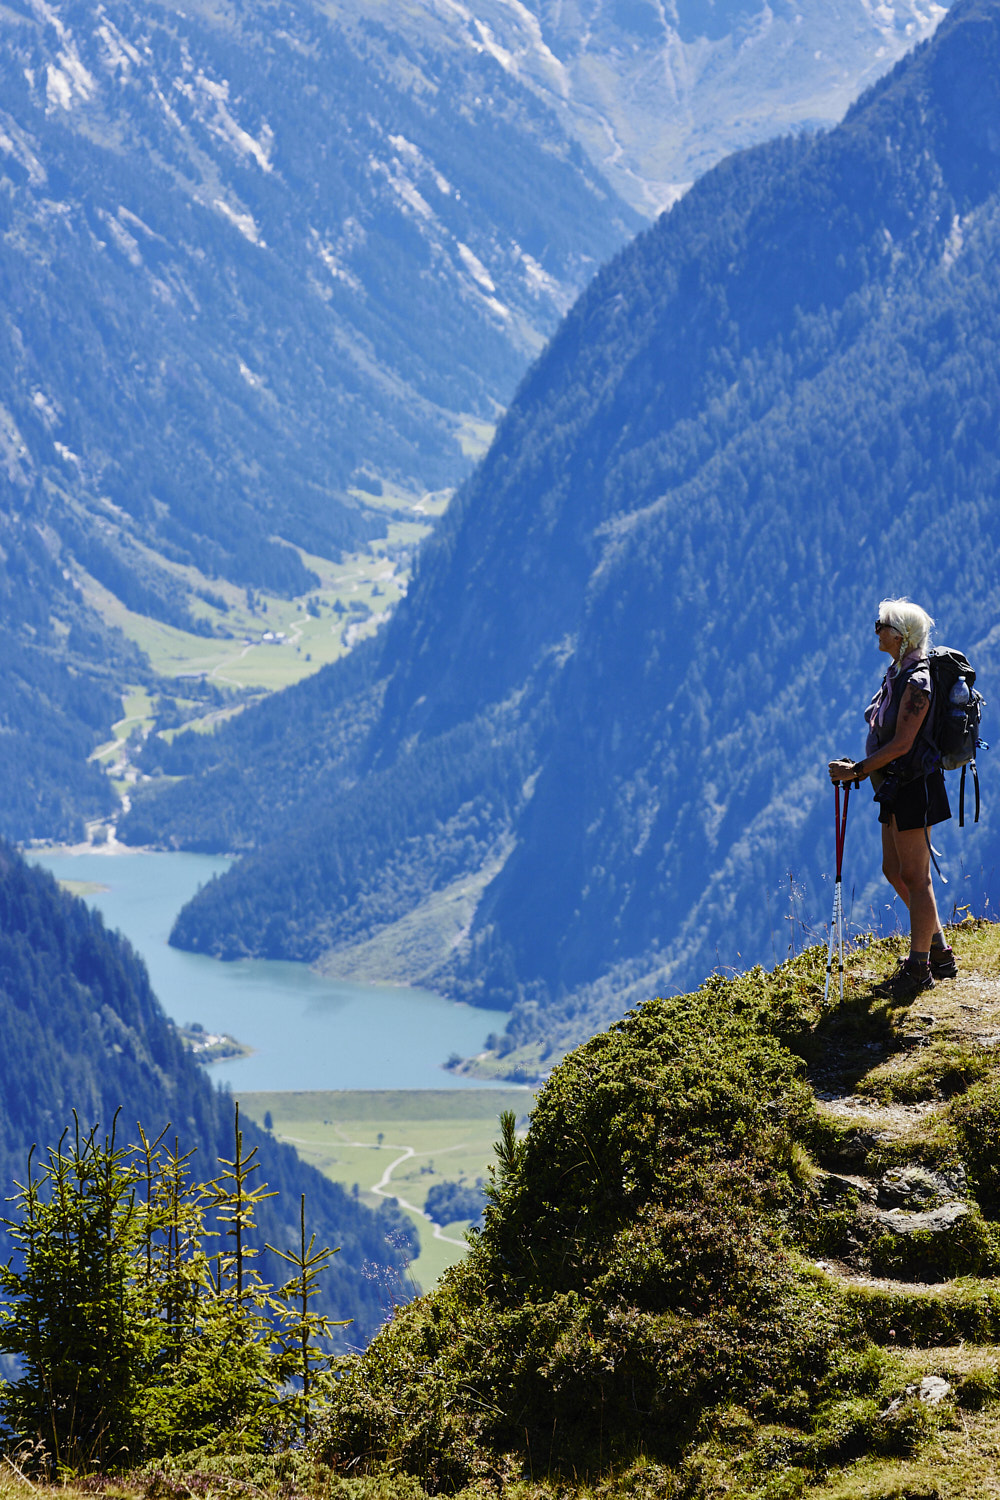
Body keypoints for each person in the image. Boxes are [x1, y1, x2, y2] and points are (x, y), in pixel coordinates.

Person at [828, 598, 957, 1000]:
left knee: (917, 878)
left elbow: (903, 743)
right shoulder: (897, 673)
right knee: (893, 869)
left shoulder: (916, 679)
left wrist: (859, 770)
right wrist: (865, 767)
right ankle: (937, 948)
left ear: (900, 635)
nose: (876, 630)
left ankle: (920, 966)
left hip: (914, 785)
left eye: (881, 624)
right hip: (896, 785)